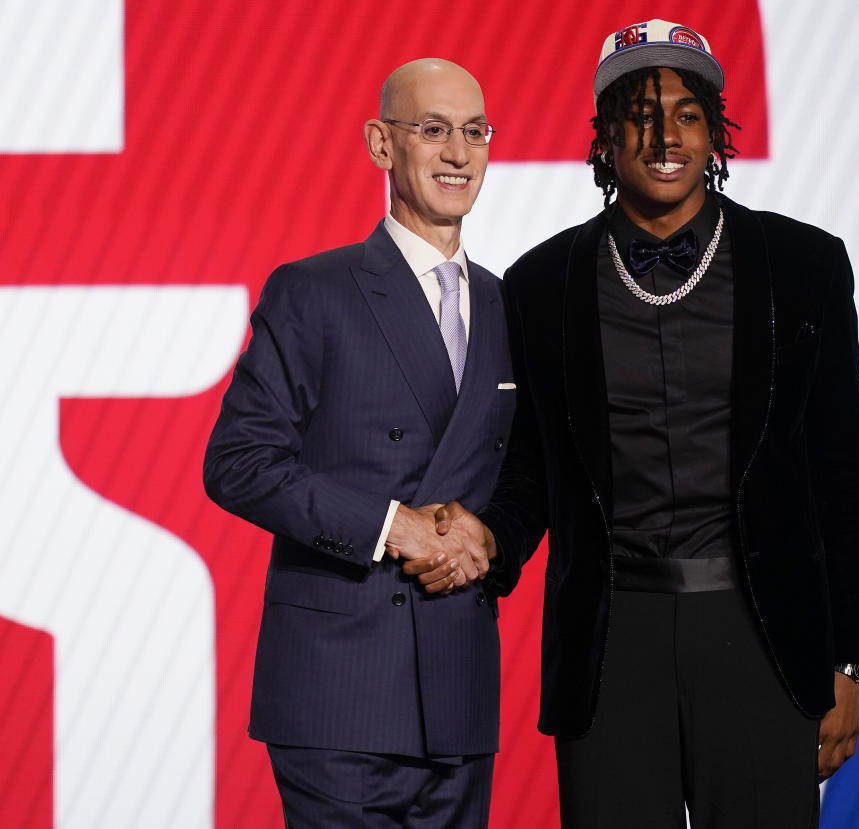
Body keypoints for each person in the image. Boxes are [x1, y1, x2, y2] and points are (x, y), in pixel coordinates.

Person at [411, 19, 859, 829]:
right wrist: (486, 538)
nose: (663, 135)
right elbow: (533, 469)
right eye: (637, 113)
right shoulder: (541, 282)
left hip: (762, 634)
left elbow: (841, 470)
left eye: (686, 113)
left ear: (715, 131)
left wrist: (849, 657)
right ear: (604, 136)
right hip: (609, 643)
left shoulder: (806, 266)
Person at [203, 58, 512, 828]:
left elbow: (527, 468)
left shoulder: (512, 304)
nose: (457, 153)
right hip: (338, 690)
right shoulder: (313, 291)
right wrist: (390, 524)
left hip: (460, 690)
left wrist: (492, 536)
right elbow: (237, 462)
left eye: (474, 132)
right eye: (432, 129)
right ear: (381, 144)